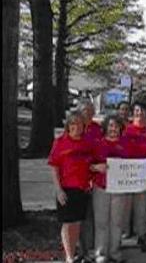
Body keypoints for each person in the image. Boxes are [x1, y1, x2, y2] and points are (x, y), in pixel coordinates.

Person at [48, 111, 95, 263]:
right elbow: (54, 167)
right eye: (73, 124)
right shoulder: (60, 142)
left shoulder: (87, 142)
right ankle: (69, 256)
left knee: (77, 223)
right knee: (68, 223)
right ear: (68, 126)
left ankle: (74, 252)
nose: (76, 127)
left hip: (83, 189)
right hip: (66, 188)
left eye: (80, 124)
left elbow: (91, 164)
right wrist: (58, 190)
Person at [122, 102, 146, 252]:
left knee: (142, 207)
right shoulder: (125, 130)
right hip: (126, 173)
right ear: (133, 113)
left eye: (142, 111)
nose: (140, 113)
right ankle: (124, 234)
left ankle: (141, 236)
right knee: (126, 207)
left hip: (144, 175)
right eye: (137, 111)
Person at [90, 115, 127, 263]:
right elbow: (88, 164)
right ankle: (101, 253)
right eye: (111, 126)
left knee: (117, 222)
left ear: (120, 128)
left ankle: (115, 252)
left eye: (116, 126)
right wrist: (95, 167)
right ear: (105, 127)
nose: (113, 129)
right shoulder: (97, 144)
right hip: (101, 187)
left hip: (119, 188)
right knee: (101, 222)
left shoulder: (126, 145)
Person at [78, 100, 103, 262]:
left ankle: (89, 250)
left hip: (93, 178)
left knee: (89, 216)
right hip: (76, 178)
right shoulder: (74, 128)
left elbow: (102, 151)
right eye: (84, 110)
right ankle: (79, 249)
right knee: (76, 217)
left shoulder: (97, 129)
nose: (87, 113)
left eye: (90, 110)